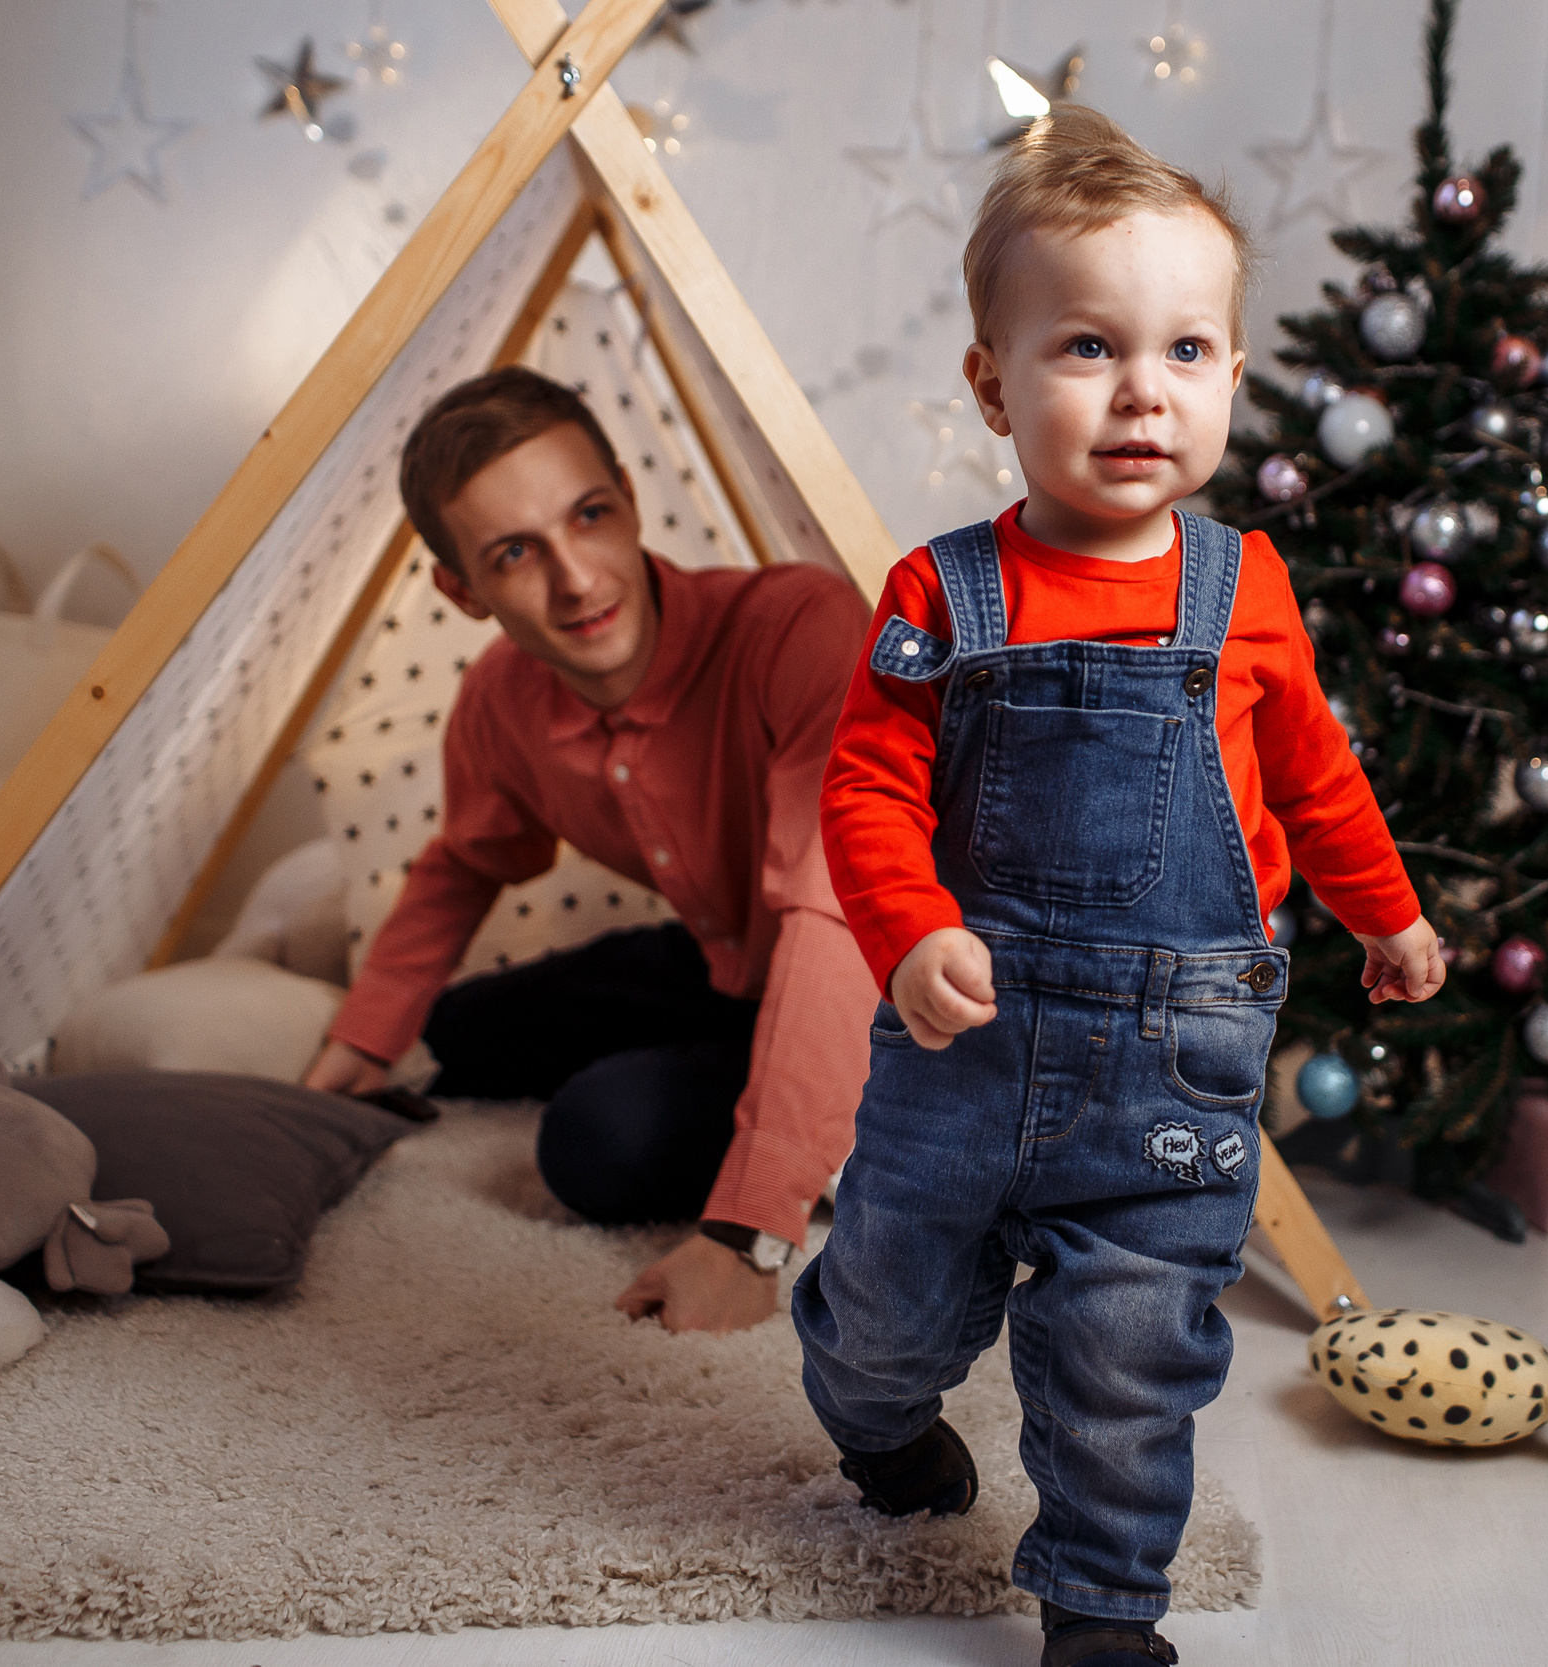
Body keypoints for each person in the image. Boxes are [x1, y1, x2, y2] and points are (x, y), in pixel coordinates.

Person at [795, 107, 1445, 1667]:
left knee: (1128, 1352)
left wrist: (1389, 911)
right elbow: (868, 787)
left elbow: (1316, 777)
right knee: (884, 1307)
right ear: (993, 384)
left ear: (1230, 374)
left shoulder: (1249, 592)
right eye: (1087, 346)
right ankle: (877, 1422)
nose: (1143, 390)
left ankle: (1102, 1606)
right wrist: (910, 926)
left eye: (1188, 350)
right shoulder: (941, 590)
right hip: (966, 1045)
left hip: (1172, 1063)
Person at [303, 365, 874, 1335]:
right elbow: (466, 862)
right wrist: (355, 1046)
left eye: (591, 515)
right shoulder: (500, 699)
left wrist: (749, 1237)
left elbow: (835, 925)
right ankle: (742, 1071)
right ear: (462, 588)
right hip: (722, 959)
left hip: (878, 982)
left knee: (593, 1142)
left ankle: (840, 1130)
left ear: (631, 497)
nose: (575, 580)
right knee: (455, 1031)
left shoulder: (800, 630)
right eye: (517, 552)